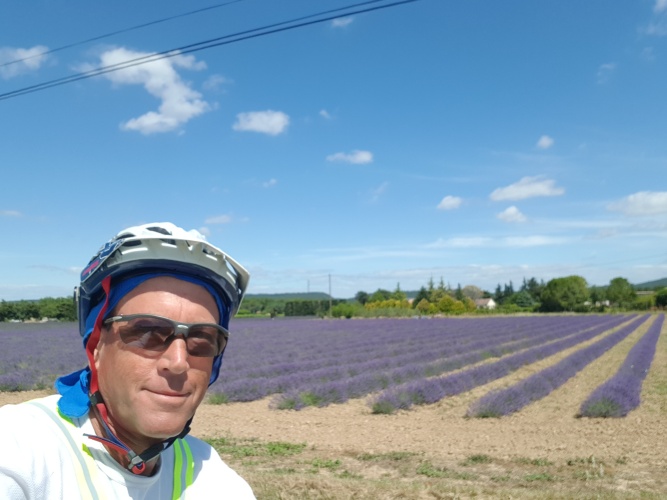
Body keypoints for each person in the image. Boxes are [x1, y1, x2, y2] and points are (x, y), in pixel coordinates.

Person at [0, 222, 256, 499]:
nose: (179, 362)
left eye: (203, 339)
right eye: (147, 332)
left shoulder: (208, 471)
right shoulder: (20, 447)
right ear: (97, 345)